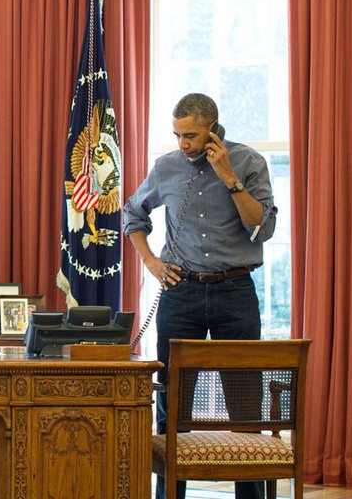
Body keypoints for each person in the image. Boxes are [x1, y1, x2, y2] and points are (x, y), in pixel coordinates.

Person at [123, 93, 277, 499]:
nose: (183, 144)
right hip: (182, 292)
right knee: (173, 404)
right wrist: (152, 262)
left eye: (190, 135)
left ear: (213, 129)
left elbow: (263, 229)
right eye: (177, 135)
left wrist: (229, 177)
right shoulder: (167, 168)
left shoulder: (248, 162)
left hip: (235, 292)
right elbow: (133, 214)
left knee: (245, 405)